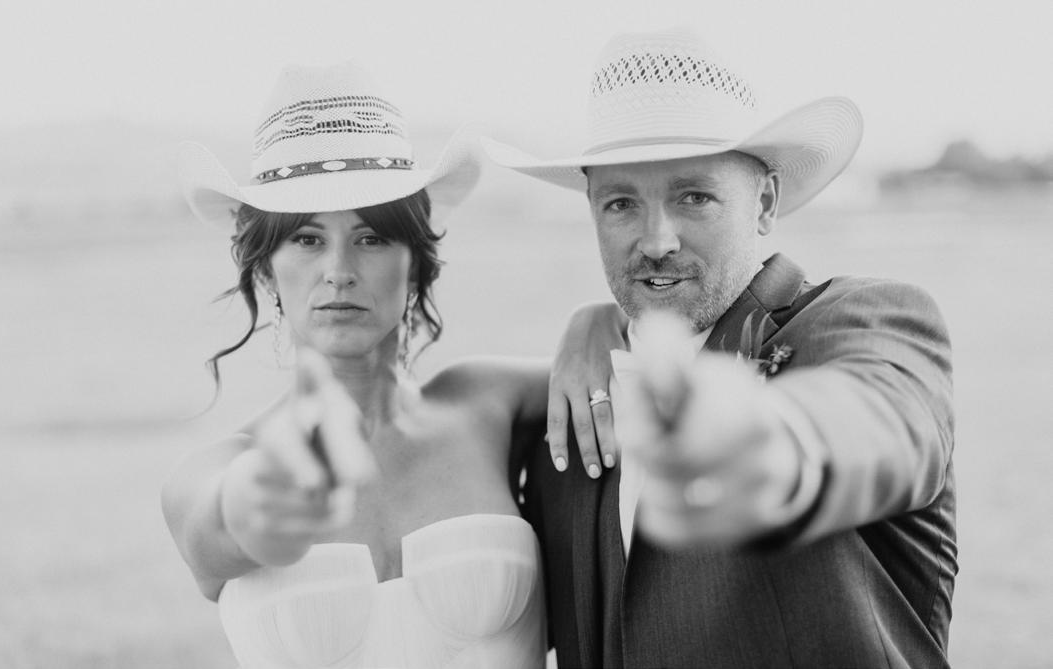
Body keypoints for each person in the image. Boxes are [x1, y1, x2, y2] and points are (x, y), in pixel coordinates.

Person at [485, 28, 957, 668]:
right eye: (621, 203)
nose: (657, 241)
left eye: (695, 197)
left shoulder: (873, 319)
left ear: (764, 203)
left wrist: (773, 444)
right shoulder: (572, 409)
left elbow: (883, 423)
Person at [162, 62, 600, 668]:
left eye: (371, 238)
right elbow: (210, 534)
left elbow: (628, 367)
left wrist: (591, 322)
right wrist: (252, 503)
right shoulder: (223, 467)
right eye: (307, 239)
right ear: (266, 270)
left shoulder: (487, 404)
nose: (339, 271)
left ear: (415, 264)